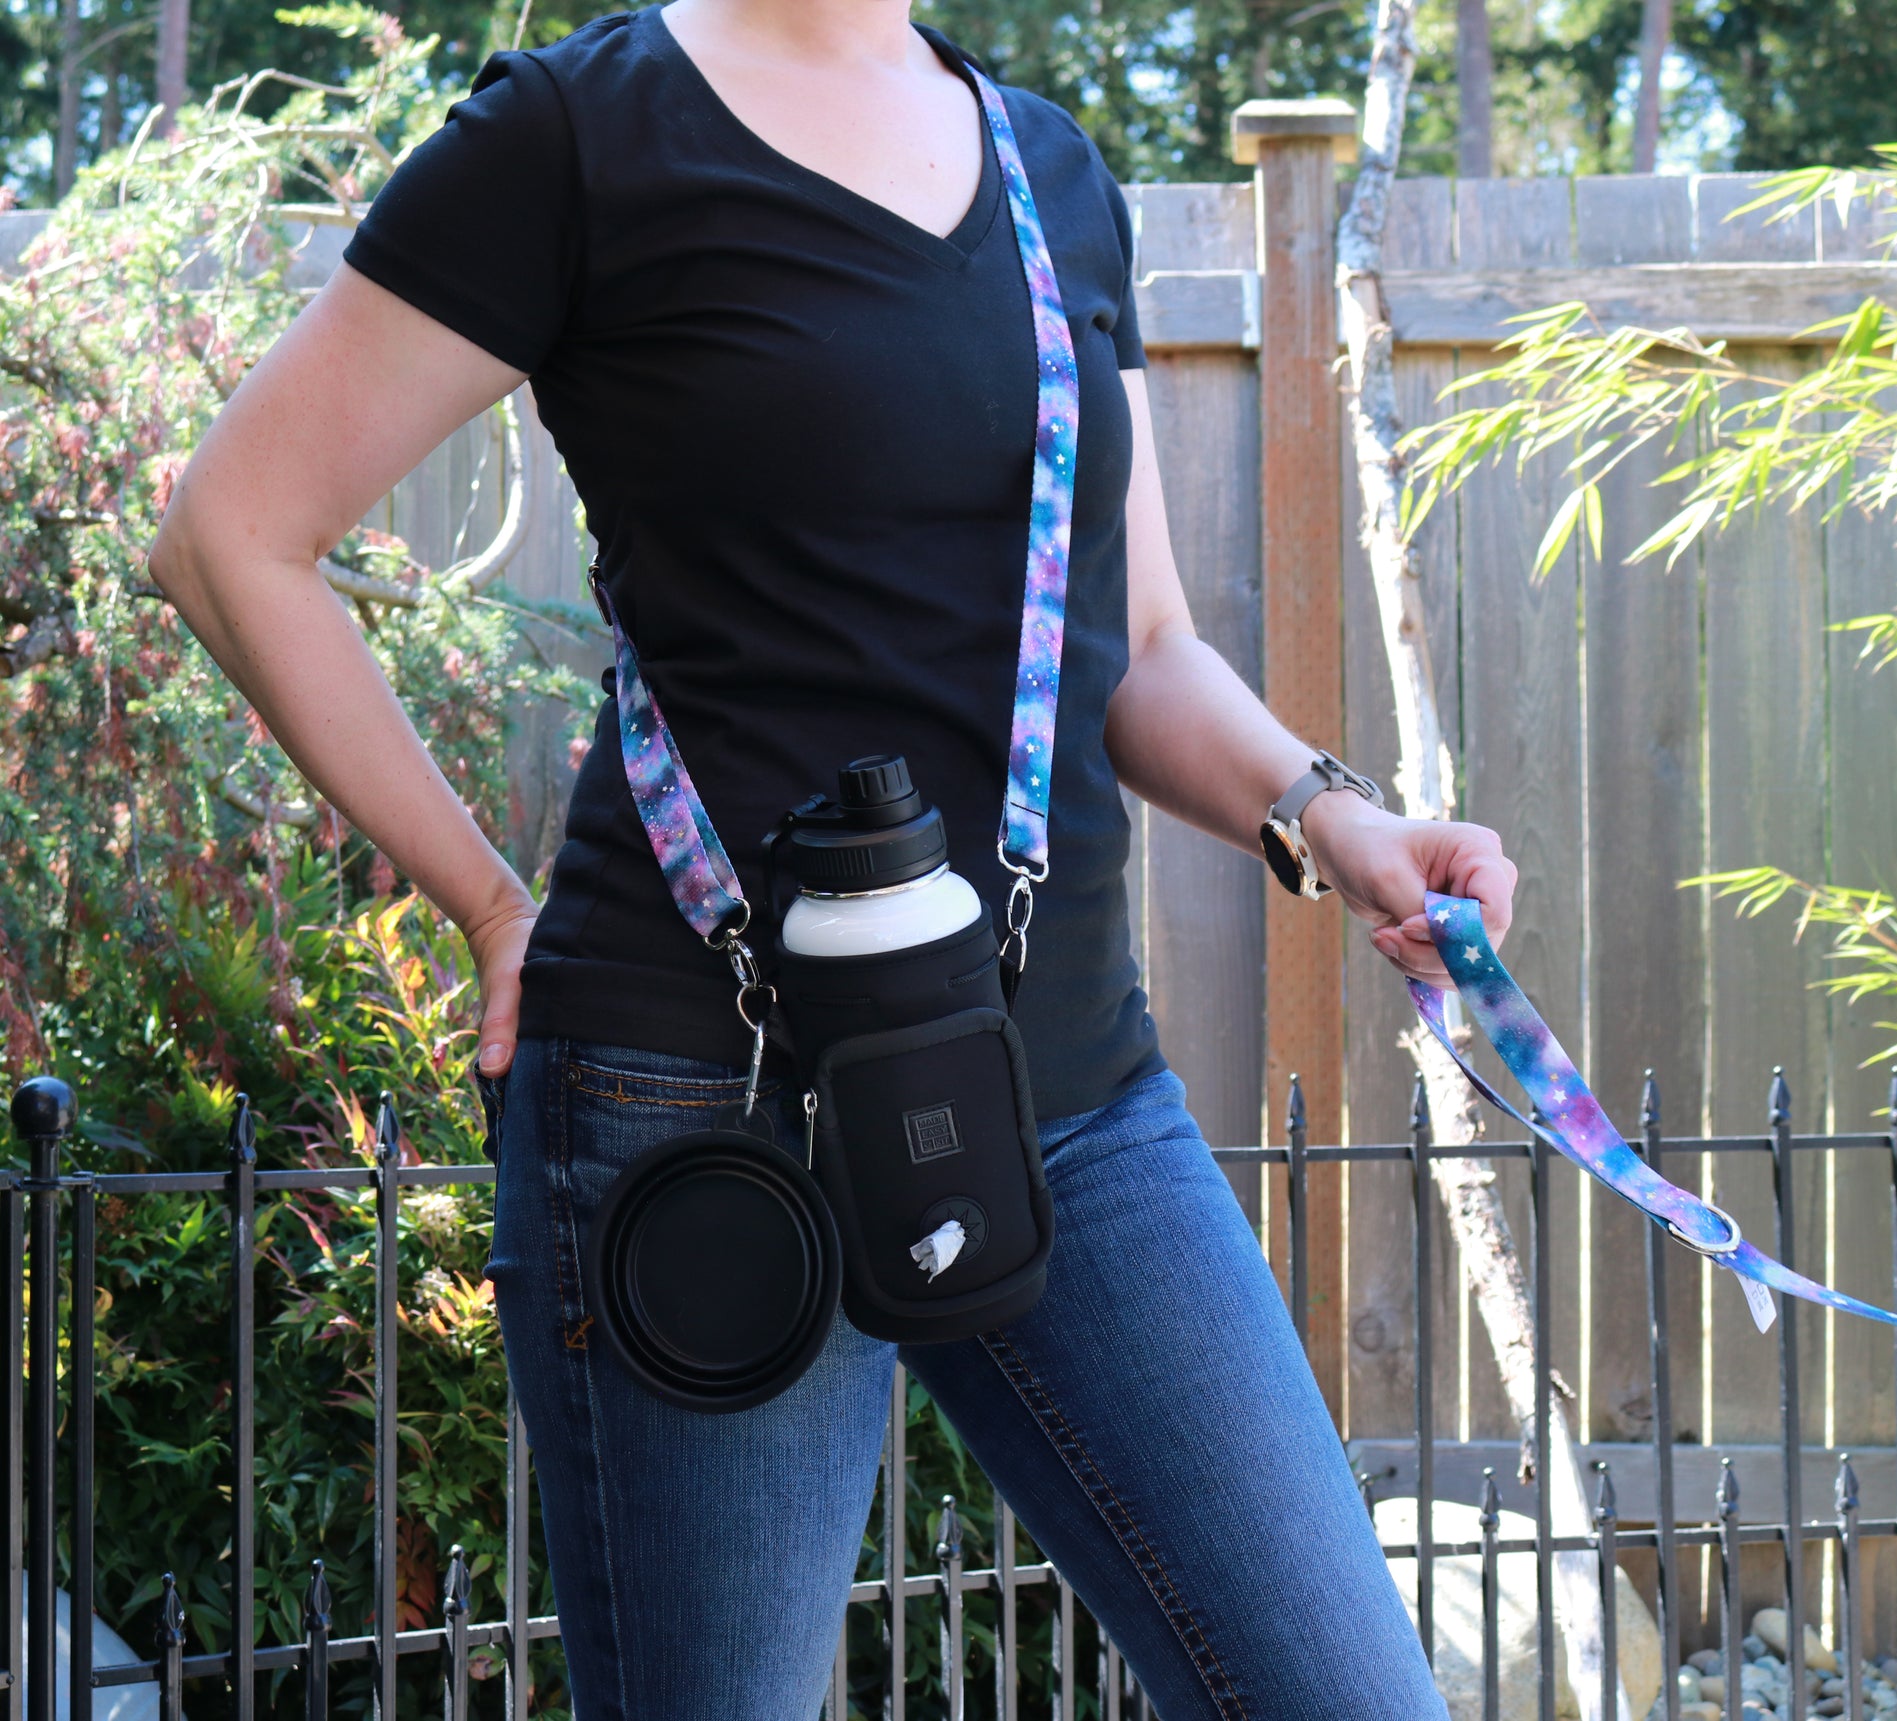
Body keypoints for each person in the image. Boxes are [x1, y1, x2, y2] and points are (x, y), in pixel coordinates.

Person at [149, 3, 1513, 1715]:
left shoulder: (1049, 169)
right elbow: (230, 533)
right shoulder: (578, 135)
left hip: (1071, 1098)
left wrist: (1334, 818)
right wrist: (490, 904)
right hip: (697, 1107)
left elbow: (1138, 645)